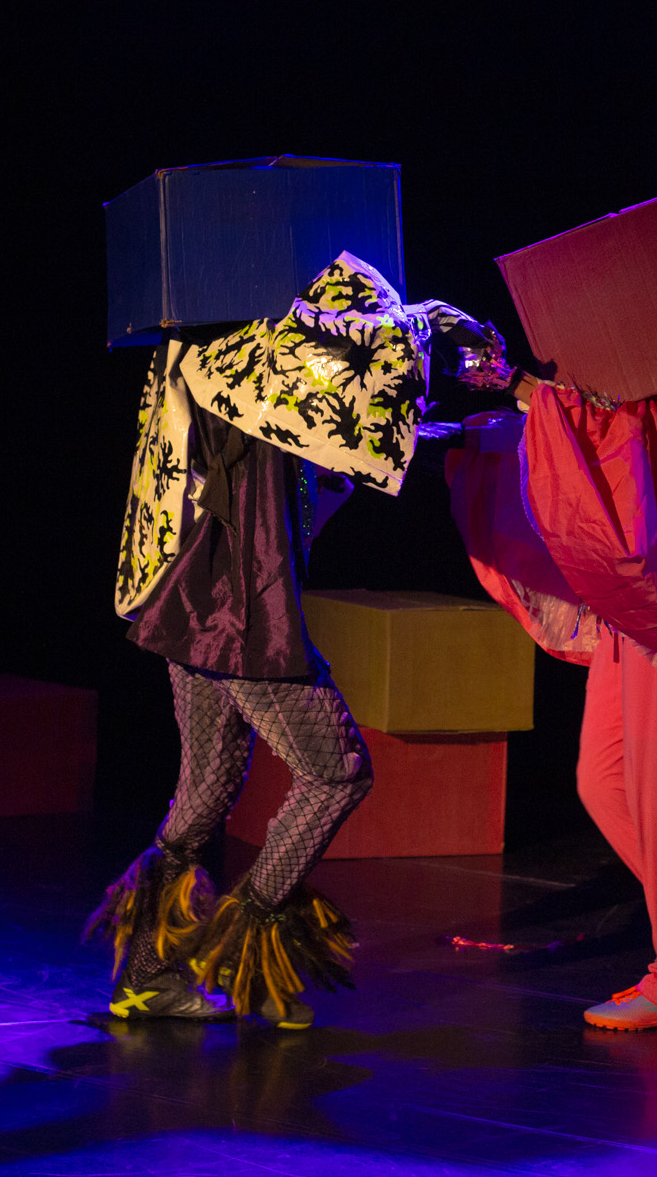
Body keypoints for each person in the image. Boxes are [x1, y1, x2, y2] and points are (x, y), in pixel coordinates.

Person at [87, 253, 485, 1029]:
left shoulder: (208, 355)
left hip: (191, 598)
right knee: (336, 772)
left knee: (205, 788)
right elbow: (345, 383)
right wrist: (432, 321)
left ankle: (148, 973)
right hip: (240, 613)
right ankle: (243, 952)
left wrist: (433, 430)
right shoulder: (257, 357)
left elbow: (322, 442)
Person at [448, 348, 657, 1031]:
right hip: (637, 604)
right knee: (602, 779)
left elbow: (625, 446)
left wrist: (519, 385)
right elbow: (613, 433)